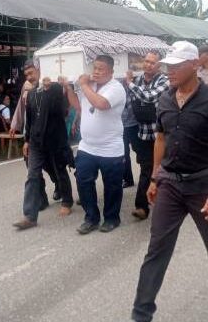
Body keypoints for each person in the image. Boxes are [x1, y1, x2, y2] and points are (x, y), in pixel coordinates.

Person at [131, 41, 208, 322]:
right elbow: (161, 138)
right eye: (168, 65)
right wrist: (155, 176)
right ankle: (141, 314)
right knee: (157, 249)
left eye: (177, 65)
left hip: (205, 187)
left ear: (194, 65)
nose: (170, 70)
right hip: (170, 184)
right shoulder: (165, 98)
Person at [66, 55, 126, 234]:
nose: (97, 72)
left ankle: (111, 218)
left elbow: (101, 104)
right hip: (87, 146)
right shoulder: (90, 86)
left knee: (112, 186)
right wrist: (68, 88)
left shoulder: (116, 88)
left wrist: (83, 85)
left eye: (101, 69)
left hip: (110, 148)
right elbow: (78, 106)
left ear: (111, 71)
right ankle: (91, 217)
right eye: (95, 68)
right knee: (83, 181)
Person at [13, 61, 74, 230]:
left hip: (55, 139)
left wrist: (56, 89)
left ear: (40, 71)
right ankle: (29, 216)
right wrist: (26, 140)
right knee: (32, 175)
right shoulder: (31, 94)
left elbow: (64, 110)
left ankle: (67, 201)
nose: (29, 77)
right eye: (27, 75)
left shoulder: (55, 88)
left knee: (59, 170)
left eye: (31, 73)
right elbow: (30, 119)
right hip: (36, 142)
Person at [125, 51, 170, 221]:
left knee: (163, 169)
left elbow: (149, 97)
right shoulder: (137, 80)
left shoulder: (164, 81)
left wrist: (129, 83)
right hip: (142, 133)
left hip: (161, 133)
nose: (148, 65)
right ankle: (142, 207)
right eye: (146, 61)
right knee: (146, 169)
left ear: (159, 66)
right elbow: (130, 104)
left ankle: (167, 203)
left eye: (152, 62)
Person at [121, 92, 138, 189]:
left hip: (133, 125)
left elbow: (127, 111)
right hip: (125, 126)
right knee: (124, 154)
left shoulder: (129, 91)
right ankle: (128, 179)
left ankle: (149, 176)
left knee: (141, 153)